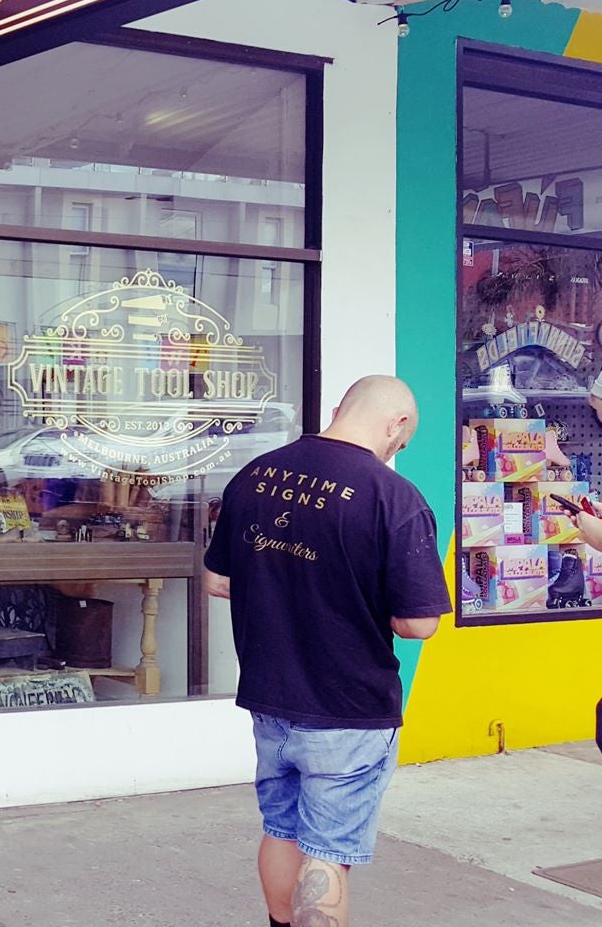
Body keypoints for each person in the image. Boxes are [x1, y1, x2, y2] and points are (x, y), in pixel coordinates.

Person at [204, 375, 450, 927]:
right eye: (401, 443)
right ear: (397, 426)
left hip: (270, 697)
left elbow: (217, 580)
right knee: (329, 850)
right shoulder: (393, 497)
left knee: (282, 829)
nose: (396, 452)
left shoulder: (256, 475)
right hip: (349, 707)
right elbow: (418, 624)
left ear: (341, 408)